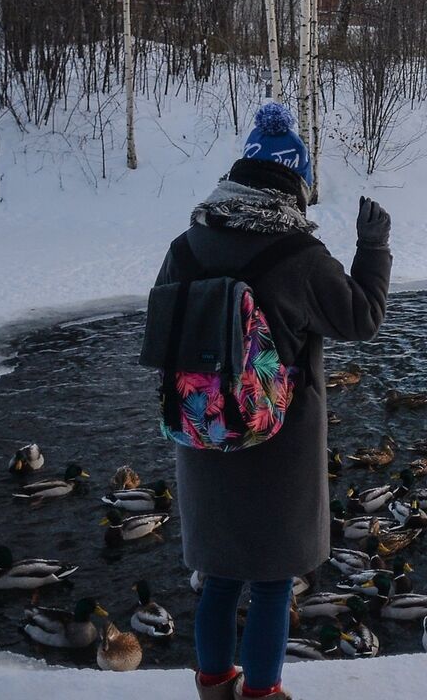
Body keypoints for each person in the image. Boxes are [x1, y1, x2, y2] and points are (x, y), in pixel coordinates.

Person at [156, 102, 391, 700]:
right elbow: (361, 317)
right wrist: (373, 246)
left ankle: (214, 685)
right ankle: (262, 695)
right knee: (270, 581)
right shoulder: (299, 256)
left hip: (203, 430)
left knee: (218, 576)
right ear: (295, 181)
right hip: (277, 442)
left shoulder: (186, 246)